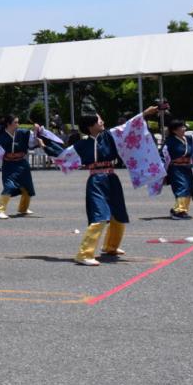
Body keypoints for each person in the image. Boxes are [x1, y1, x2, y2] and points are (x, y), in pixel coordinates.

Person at [54, 105, 160, 266]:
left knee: (118, 215)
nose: (102, 121)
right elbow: (63, 155)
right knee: (100, 215)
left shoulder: (110, 136)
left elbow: (127, 127)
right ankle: (84, 254)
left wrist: (144, 114)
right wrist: (44, 143)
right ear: (90, 126)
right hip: (96, 181)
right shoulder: (82, 145)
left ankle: (111, 247)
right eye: (99, 120)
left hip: (112, 179)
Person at [0, 115, 61, 219]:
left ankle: (23, 209)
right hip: (9, 165)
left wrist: (37, 129)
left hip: (22, 163)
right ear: (9, 124)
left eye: (18, 122)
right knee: (9, 186)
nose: (18, 124)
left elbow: (33, 139)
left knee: (27, 188)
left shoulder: (22, 133)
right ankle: (0, 211)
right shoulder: (2, 136)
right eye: (16, 122)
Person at [163, 120, 193, 219]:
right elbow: (162, 155)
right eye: (181, 127)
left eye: (184, 127)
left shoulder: (188, 139)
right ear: (174, 130)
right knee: (182, 187)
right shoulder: (169, 141)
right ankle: (178, 211)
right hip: (175, 168)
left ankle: (181, 210)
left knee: (188, 188)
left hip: (187, 167)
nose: (184, 129)